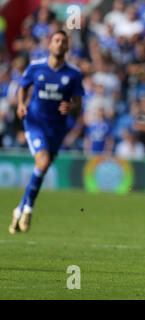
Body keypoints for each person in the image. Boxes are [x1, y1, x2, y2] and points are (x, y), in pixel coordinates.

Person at [8, 30, 84, 234]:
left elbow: (78, 101)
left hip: (57, 129)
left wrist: (72, 107)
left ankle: (20, 208)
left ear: (67, 47)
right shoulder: (36, 67)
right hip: (35, 123)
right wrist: (21, 105)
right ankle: (29, 209)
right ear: (50, 45)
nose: (59, 44)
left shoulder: (73, 74)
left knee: (43, 166)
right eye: (56, 40)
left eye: (63, 42)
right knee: (42, 163)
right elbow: (23, 87)